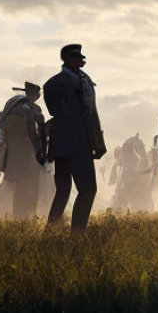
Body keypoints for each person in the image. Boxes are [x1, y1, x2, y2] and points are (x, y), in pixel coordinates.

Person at [42, 44, 106, 231]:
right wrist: (96, 141)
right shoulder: (74, 82)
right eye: (77, 57)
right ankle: (77, 233)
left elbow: (88, 113)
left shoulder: (59, 83)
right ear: (69, 59)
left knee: (64, 191)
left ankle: (51, 231)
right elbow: (86, 113)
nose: (81, 60)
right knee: (86, 190)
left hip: (65, 143)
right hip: (76, 142)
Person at [0, 82, 46, 220]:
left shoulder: (11, 106)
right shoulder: (32, 109)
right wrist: (41, 152)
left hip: (12, 153)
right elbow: (35, 132)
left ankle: (18, 214)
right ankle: (27, 214)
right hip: (28, 153)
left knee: (18, 185)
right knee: (29, 185)